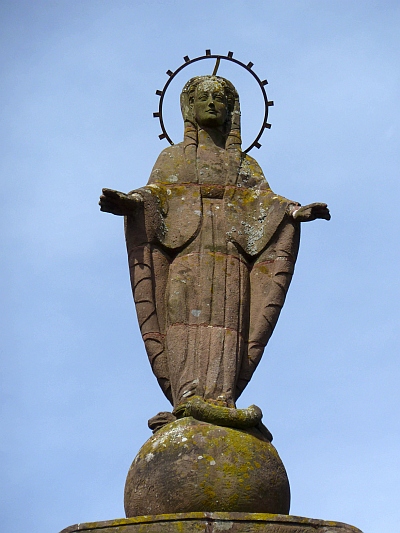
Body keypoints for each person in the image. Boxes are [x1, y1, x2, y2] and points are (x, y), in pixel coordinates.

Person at [100, 75, 330, 412]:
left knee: (228, 324)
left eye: (219, 99)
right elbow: (156, 195)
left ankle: (221, 398)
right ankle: (186, 396)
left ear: (230, 111)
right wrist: (132, 203)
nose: (211, 103)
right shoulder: (172, 158)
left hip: (229, 260)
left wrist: (294, 212)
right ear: (189, 107)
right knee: (180, 318)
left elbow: (266, 203)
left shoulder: (245, 165)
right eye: (203, 97)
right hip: (187, 256)